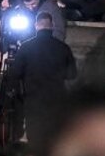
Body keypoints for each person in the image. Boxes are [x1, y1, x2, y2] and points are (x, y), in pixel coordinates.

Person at [6, 11, 77, 146]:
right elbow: (72, 74)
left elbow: (14, 74)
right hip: (56, 100)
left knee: (35, 137)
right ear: (52, 25)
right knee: (54, 139)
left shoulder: (26, 47)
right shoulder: (63, 48)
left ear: (35, 25)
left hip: (33, 99)